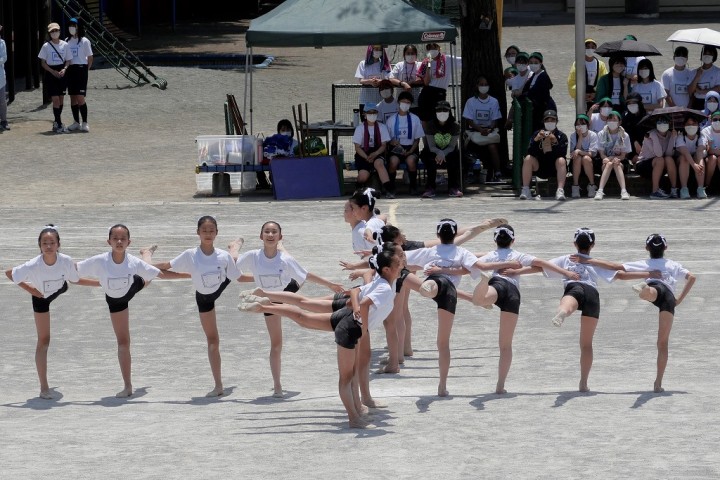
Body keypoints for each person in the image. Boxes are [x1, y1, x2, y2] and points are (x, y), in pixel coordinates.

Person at [239, 243, 402, 429]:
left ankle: (264, 305)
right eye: (400, 263)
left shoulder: (386, 281)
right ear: (387, 269)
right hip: (351, 327)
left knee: (304, 316)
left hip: (349, 319)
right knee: (346, 377)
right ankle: (353, 418)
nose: (403, 265)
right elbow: (361, 303)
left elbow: (357, 294)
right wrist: (359, 319)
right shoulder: (386, 287)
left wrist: (355, 305)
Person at [517, 228, 651, 392]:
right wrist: (648, 273)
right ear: (592, 245)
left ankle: (564, 312)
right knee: (586, 344)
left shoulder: (567, 259)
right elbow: (621, 275)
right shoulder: (595, 262)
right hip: (592, 295)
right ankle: (583, 383)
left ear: (575, 244)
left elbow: (539, 267)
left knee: (569, 301)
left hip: (575, 287)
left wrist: (517, 272)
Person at [404, 219, 522, 397]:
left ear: (438, 235)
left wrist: (371, 259)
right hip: (450, 293)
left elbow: (400, 259)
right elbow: (481, 266)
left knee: (432, 283)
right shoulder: (462, 252)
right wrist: (508, 264)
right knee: (443, 343)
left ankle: (427, 288)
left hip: (436, 283)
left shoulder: (428, 251)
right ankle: (442, 385)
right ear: (454, 235)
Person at [235, 221, 343, 398]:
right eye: (267, 232)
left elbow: (306, 275)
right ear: (261, 236)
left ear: (279, 236)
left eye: (274, 232)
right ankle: (277, 385)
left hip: (288, 290)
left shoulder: (285, 260)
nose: (270, 235)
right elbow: (234, 272)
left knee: (304, 300)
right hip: (268, 300)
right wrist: (233, 253)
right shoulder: (253, 256)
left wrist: (330, 284)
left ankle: (283, 248)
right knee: (276, 344)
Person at [578, 233, 695, 393]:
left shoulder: (645, 263)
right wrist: (679, 299)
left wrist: (589, 260)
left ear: (647, 248)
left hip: (655, 286)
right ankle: (658, 383)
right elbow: (692, 277)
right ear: (665, 248)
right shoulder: (673, 265)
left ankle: (644, 289)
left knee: (653, 292)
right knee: (662, 343)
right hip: (668, 297)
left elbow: (615, 267)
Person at [470, 225, 579, 394]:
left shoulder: (490, 256)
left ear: (494, 241)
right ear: (513, 241)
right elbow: (542, 263)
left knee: (478, 300)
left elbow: (466, 263)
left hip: (497, 285)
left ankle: (484, 283)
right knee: (505, 345)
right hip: (513, 294)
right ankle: (500, 385)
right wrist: (567, 272)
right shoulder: (518, 255)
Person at [140, 216, 241, 397]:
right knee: (213, 340)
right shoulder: (190, 254)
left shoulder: (222, 256)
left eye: (211, 231)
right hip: (204, 298)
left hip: (219, 281)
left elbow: (238, 276)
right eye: (204, 231)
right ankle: (146, 254)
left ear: (217, 233)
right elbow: (167, 265)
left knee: (232, 259)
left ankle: (235, 246)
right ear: (198, 233)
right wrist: (142, 267)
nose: (208, 234)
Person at [5, 225, 96, 399]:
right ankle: (44, 387)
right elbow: (10, 273)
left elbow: (75, 280)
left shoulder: (65, 260)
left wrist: (100, 283)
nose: (48, 246)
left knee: (65, 283)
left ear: (58, 245)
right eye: (44, 243)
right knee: (44, 340)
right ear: (39, 245)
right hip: (41, 299)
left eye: (52, 242)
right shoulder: (33, 264)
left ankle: (62, 285)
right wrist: (31, 290)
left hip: (60, 288)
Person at [76, 224, 161, 398]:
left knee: (148, 277)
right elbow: (73, 273)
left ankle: (146, 253)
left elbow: (160, 274)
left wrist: (191, 274)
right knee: (123, 342)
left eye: (123, 239)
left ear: (129, 242)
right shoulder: (100, 260)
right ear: (109, 241)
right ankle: (128, 386)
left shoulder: (131, 262)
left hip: (130, 285)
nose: (119, 241)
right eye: (115, 238)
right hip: (116, 302)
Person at [518, 109, 568, 201]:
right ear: (543, 122)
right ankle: (525, 189)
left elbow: (562, 153)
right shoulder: (537, 134)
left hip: (554, 167)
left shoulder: (562, 136)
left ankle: (560, 190)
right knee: (528, 159)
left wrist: (555, 141)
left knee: (561, 160)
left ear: (556, 121)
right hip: (540, 166)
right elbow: (530, 151)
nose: (550, 122)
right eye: (547, 120)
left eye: (552, 120)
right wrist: (536, 140)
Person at [463, 75, 503, 180]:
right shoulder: (470, 101)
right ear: (477, 86)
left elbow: (495, 120)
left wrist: (489, 129)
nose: (483, 87)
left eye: (486, 85)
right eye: (481, 84)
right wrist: (480, 130)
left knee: (492, 147)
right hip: (475, 131)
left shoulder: (494, 101)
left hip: (489, 131)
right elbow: (469, 120)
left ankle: (498, 172)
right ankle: (470, 171)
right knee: (469, 145)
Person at [421, 100, 464, 198]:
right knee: (430, 160)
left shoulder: (455, 126)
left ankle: (453, 188)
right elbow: (431, 146)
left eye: (445, 110)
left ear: (449, 112)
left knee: (454, 159)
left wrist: (443, 153)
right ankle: (430, 188)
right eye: (439, 110)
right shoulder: (430, 125)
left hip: (449, 151)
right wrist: (439, 152)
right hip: (433, 152)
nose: (442, 112)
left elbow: (452, 146)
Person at [386, 91, 424, 195]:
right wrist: (392, 142)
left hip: (410, 148)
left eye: (408, 102)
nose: (405, 104)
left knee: (411, 161)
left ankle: (413, 186)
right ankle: (391, 187)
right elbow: (387, 138)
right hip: (396, 149)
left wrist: (411, 151)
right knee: (393, 162)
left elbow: (417, 139)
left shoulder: (415, 119)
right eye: (403, 102)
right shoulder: (391, 120)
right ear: (398, 102)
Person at [417, 43, 461, 130]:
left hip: (439, 93)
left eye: (434, 48)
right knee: (425, 118)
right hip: (427, 92)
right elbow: (426, 82)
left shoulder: (447, 59)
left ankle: (444, 137)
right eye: (429, 48)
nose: (432, 50)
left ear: (439, 48)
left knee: (443, 116)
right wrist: (428, 65)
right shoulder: (426, 62)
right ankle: (427, 139)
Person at [38, 22, 72, 133]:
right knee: (55, 99)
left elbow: (68, 60)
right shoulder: (46, 46)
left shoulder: (65, 45)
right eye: (52, 31)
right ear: (49, 33)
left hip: (62, 72)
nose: (54, 33)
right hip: (51, 73)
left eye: (56, 30)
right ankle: (59, 123)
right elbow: (43, 62)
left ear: (59, 31)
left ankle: (57, 122)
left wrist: (65, 69)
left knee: (61, 99)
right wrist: (52, 71)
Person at [352, 103, 392, 195]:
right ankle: (358, 188)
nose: (372, 115)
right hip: (363, 154)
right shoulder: (360, 128)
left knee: (379, 164)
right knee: (363, 176)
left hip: (377, 152)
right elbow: (357, 147)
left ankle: (389, 189)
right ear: (364, 114)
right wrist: (366, 157)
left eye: (374, 113)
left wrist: (375, 154)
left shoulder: (382, 127)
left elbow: (383, 145)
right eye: (369, 113)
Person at [635, 116, 678, 199]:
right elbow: (658, 154)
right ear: (656, 124)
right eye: (660, 122)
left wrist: (673, 138)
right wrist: (654, 136)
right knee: (660, 159)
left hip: (659, 165)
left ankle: (673, 189)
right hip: (644, 164)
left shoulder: (670, 134)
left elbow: (668, 153)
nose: (662, 124)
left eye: (665, 122)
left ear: (669, 124)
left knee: (669, 159)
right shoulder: (649, 135)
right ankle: (655, 191)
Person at [594, 110, 632, 200]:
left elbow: (623, 156)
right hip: (605, 161)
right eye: (609, 119)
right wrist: (607, 158)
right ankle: (600, 191)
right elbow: (602, 153)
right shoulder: (601, 134)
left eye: (614, 120)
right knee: (609, 164)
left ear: (620, 122)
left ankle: (623, 191)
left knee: (616, 164)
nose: (612, 122)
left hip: (620, 161)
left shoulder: (624, 135)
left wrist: (614, 158)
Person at [65, 18, 93, 132]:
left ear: (78, 27)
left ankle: (85, 122)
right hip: (70, 69)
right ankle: (76, 122)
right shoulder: (66, 40)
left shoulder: (84, 41)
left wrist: (86, 69)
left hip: (81, 69)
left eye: (74, 25)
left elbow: (90, 57)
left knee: (80, 97)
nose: (72, 27)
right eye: (70, 25)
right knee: (73, 97)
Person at [567, 38, 608, 112]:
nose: (590, 49)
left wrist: (595, 93)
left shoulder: (601, 65)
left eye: (593, 47)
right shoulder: (577, 64)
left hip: (596, 96)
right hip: (581, 97)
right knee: (582, 118)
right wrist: (582, 93)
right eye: (587, 47)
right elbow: (571, 82)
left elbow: (604, 81)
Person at [521, 52, 556, 131]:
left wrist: (524, 94)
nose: (533, 65)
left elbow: (534, 93)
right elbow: (525, 90)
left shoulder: (543, 76)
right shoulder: (533, 75)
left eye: (536, 63)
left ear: (541, 63)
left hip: (544, 109)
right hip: (535, 110)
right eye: (531, 63)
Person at [674, 116, 707, 199]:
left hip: (696, 156)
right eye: (688, 124)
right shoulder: (680, 136)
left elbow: (700, 151)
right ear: (684, 126)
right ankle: (684, 189)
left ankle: (700, 188)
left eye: (693, 124)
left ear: (698, 125)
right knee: (684, 158)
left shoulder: (701, 135)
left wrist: (700, 165)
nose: (691, 126)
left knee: (700, 160)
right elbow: (685, 152)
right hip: (682, 158)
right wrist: (694, 165)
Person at [569, 114, 599, 198]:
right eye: (578, 124)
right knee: (577, 157)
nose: (580, 126)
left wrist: (579, 151)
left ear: (587, 125)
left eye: (582, 124)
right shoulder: (573, 136)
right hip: (576, 162)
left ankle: (592, 185)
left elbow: (591, 153)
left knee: (586, 158)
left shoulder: (593, 135)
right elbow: (573, 153)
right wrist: (580, 138)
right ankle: (575, 186)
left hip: (590, 161)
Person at [689, 45, 720, 110]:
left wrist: (701, 91)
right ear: (702, 55)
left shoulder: (717, 71)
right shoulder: (694, 72)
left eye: (710, 54)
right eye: (705, 53)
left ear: (714, 56)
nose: (707, 56)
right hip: (697, 102)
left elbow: (718, 88)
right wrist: (697, 77)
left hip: (712, 102)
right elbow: (690, 91)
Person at [622, 92, 649, 164]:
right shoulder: (625, 119)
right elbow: (626, 134)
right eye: (629, 103)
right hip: (632, 148)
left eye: (634, 102)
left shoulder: (647, 118)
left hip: (647, 147)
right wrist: (635, 142)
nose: (631, 105)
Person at [700, 110, 720, 190]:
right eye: (715, 119)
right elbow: (705, 149)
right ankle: (707, 185)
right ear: (711, 120)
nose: (718, 122)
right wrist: (712, 151)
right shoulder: (705, 131)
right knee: (713, 159)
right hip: (709, 157)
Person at [0, 24, 9, 130]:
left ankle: (4, 120)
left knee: (2, 100)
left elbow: (4, 57)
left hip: (0, 76)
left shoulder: (2, 43)